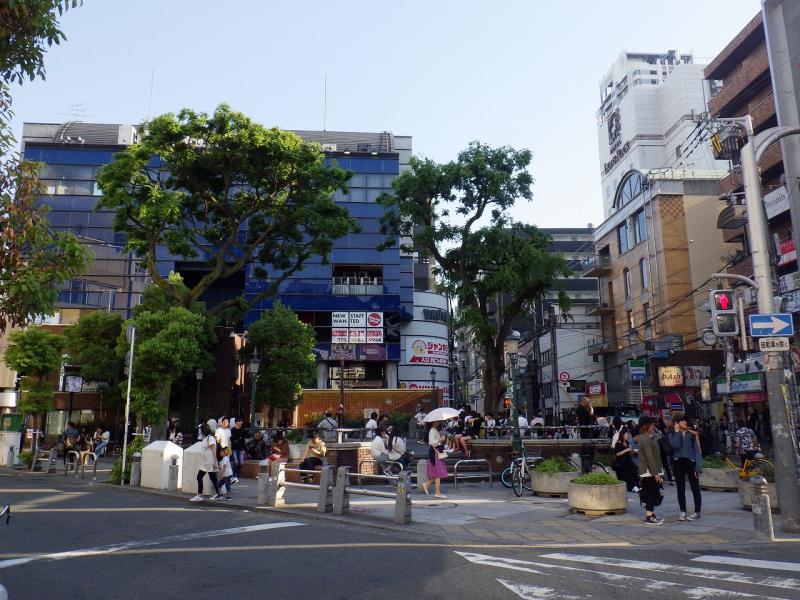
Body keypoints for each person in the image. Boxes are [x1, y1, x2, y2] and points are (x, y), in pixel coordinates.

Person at [669, 416, 703, 521]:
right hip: (678, 462)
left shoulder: (692, 435)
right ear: (677, 423)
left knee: (695, 487)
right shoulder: (672, 434)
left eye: (685, 421)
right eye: (681, 421)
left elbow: (697, 451)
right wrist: (676, 431)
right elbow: (675, 445)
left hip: (690, 462)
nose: (684, 422)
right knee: (680, 488)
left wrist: (698, 467)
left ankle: (697, 511)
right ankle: (682, 511)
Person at [637, 416, 665, 525]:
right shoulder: (645, 439)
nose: (653, 426)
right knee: (652, 493)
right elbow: (649, 457)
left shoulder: (647, 437)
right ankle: (649, 516)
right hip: (649, 471)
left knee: (651, 492)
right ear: (645, 426)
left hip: (650, 471)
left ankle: (651, 515)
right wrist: (656, 473)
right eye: (651, 424)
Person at [190, 423, 222, 501]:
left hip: (210, 462)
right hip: (206, 463)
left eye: (201, 430)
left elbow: (214, 450)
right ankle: (202, 495)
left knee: (210, 478)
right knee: (206, 477)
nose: (200, 432)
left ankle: (215, 494)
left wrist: (214, 462)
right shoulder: (207, 438)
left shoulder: (210, 438)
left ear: (204, 430)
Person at [422, 421, 448, 498]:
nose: (438, 422)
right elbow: (431, 442)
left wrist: (440, 437)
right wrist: (440, 439)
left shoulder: (434, 430)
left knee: (436, 473)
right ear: (433, 422)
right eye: (437, 421)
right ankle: (437, 492)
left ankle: (427, 484)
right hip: (435, 452)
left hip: (435, 452)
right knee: (438, 473)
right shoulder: (433, 430)